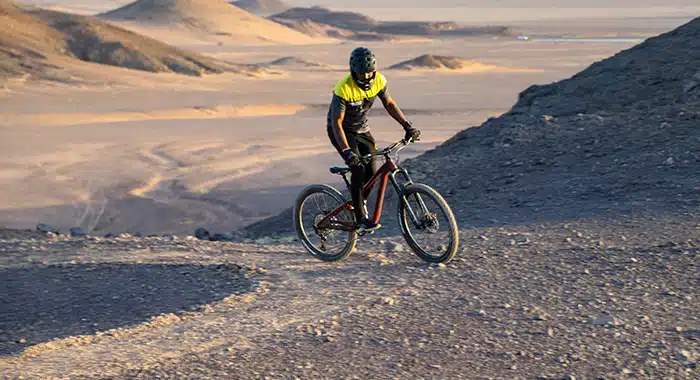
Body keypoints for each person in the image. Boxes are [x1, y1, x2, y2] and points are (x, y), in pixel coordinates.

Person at [326, 47, 421, 233]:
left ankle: (357, 202)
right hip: (341, 132)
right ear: (353, 71)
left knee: (372, 170)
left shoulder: (379, 80)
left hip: (362, 130)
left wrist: (407, 126)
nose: (367, 78)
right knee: (358, 168)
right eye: (362, 74)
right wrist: (347, 151)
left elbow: (390, 104)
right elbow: (336, 122)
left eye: (370, 73)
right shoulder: (343, 88)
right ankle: (361, 218)